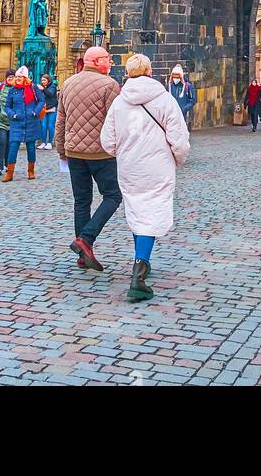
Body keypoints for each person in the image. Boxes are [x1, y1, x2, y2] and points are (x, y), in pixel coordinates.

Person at [100, 53, 190, 303]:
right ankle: (139, 272)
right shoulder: (165, 100)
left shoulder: (119, 103)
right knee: (150, 214)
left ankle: (143, 261)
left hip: (130, 167)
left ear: (127, 74)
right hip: (158, 167)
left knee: (137, 211)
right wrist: (178, 159)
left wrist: (126, 152)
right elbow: (179, 139)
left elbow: (107, 142)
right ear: (150, 72)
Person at [56, 44, 122, 272]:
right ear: (95, 61)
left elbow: (60, 119)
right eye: (107, 58)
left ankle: (84, 255)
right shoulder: (109, 85)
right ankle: (86, 238)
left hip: (74, 152)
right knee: (113, 196)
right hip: (100, 152)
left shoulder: (68, 83)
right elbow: (117, 120)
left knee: (81, 201)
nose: (110, 62)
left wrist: (61, 149)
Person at [3, 66, 45, 180]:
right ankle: (9, 172)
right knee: (13, 147)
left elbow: (41, 101)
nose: (17, 79)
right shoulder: (12, 90)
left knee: (31, 147)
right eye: (16, 77)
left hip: (31, 121)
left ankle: (31, 171)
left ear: (25, 78)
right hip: (17, 122)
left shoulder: (33, 88)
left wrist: (35, 112)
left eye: (20, 77)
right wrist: (12, 114)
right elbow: (7, 106)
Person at [0, 75, 14, 177]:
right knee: (2, 141)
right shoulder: (1, 87)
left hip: (13, 120)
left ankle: (7, 164)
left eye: (13, 77)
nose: (11, 78)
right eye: (9, 77)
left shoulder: (17, 89)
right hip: (0, 120)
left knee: (9, 143)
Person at [167, 64, 197, 132]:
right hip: (171, 113)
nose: (175, 78)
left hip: (182, 113)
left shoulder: (187, 86)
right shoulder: (169, 86)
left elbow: (193, 100)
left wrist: (184, 108)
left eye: (177, 76)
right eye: (174, 76)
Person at [38, 73, 59, 149]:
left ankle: (50, 142)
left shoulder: (52, 86)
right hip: (44, 109)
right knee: (43, 126)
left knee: (50, 126)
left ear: (48, 80)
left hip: (51, 109)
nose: (43, 81)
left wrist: (43, 89)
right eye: (42, 80)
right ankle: (43, 142)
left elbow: (50, 94)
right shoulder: (40, 87)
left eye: (44, 80)